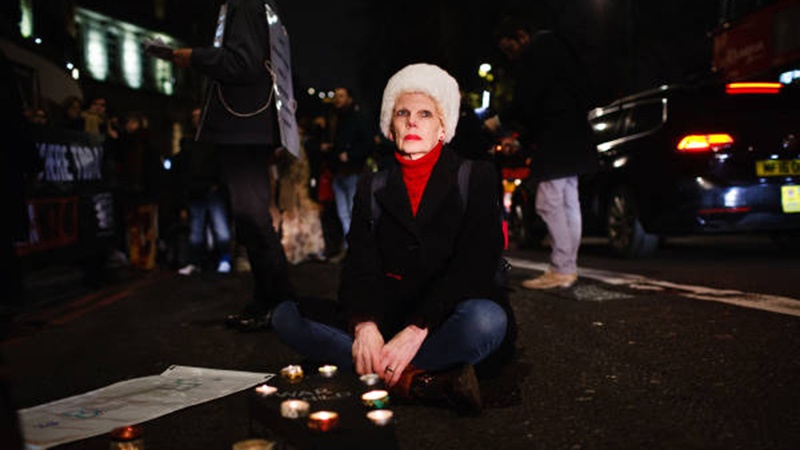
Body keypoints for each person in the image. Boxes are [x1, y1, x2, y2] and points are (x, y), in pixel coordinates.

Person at [272, 63, 516, 414]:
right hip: (391, 317)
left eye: (425, 114)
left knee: (486, 321)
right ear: (390, 127)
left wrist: (418, 328)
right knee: (286, 315)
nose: (412, 122)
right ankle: (422, 381)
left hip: (446, 315)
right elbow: (359, 265)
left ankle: (376, 370)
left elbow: (475, 264)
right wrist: (364, 324)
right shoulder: (372, 186)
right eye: (403, 113)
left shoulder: (474, 176)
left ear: (443, 127)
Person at [159, 0, 293, 331]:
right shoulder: (257, 6)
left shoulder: (243, 5)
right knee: (252, 218)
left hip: (242, 126)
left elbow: (242, 63)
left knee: (252, 218)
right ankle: (271, 302)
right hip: (249, 125)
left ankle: (278, 305)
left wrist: (193, 57)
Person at [486, 15, 599, 289]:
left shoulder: (537, 51)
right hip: (574, 135)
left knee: (549, 203)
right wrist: (523, 139)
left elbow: (529, 100)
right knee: (568, 202)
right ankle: (568, 266)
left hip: (555, 140)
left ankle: (562, 268)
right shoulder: (560, 47)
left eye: (509, 48)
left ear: (521, 36)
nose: (511, 56)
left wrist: (499, 120)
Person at [176, 107, 233, 275]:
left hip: (213, 188)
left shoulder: (215, 139)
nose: (196, 119)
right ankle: (196, 262)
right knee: (196, 229)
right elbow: (184, 169)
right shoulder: (189, 141)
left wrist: (219, 183)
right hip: (196, 189)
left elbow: (223, 164)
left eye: (199, 115)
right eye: (194, 116)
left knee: (220, 227)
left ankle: (224, 259)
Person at [320, 87, 373, 260]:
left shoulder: (357, 118)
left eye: (341, 96)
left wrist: (350, 154)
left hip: (353, 171)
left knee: (352, 211)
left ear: (349, 98)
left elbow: (368, 144)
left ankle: (357, 250)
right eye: (336, 96)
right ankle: (350, 248)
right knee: (343, 213)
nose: (337, 99)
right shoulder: (333, 118)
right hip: (338, 172)